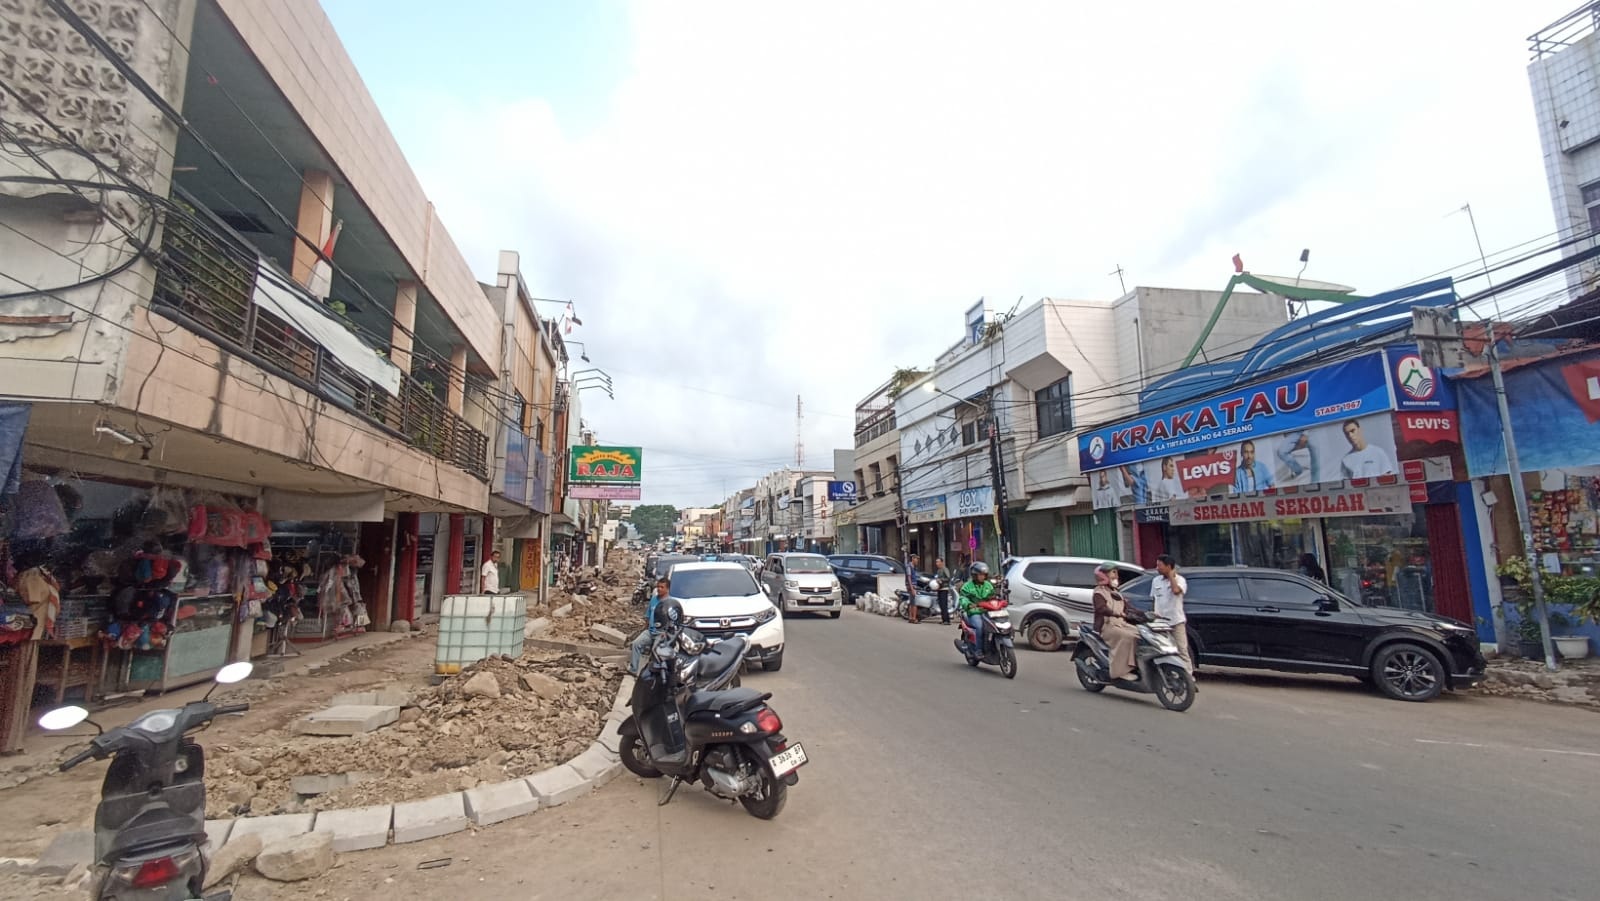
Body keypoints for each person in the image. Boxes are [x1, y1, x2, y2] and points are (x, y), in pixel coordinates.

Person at [1091, 562, 1140, 682]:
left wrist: (1147, 614)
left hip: (1121, 624)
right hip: (1107, 626)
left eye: (1116, 573)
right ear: (1103, 576)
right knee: (1127, 637)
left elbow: (1129, 608)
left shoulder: (1116, 592)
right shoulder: (1099, 592)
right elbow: (1101, 608)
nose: (1116, 576)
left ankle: (1135, 665)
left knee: (1141, 635)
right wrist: (1115, 613)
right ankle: (1120, 672)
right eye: (1113, 573)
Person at [1152, 554, 1191, 671]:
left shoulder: (1180, 580)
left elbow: (1176, 591)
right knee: (1163, 650)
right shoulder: (1156, 581)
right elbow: (1154, 598)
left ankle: (1188, 675)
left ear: (1169, 566)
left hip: (1176, 621)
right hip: (1160, 623)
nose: (1157, 568)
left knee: (1182, 650)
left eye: (1160, 565)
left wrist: (1171, 576)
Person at [629, 576, 672, 675]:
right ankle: (633, 670)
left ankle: (654, 674)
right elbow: (648, 615)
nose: (659, 589)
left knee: (655, 651)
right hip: (650, 631)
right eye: (658, 587)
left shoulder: (670, 603)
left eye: (662, 587)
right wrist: (645, 627)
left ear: (667, 589)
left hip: (661, 634)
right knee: (636, 644)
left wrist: (666, 633)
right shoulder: (653, 599)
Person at [957, 561, 997, 658]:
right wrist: (968, 604)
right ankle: (978, 650)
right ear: (974, 575)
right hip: (974, 612)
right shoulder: (967, 586)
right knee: (980, 627)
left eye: (984, 575)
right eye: (980, 575)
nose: (982, 577)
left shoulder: (988, 585)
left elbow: (994, 596)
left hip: (987, 611)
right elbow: (963, 598)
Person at [932, 557, 954, 624]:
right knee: (941, 604)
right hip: (939, 589)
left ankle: (947, 620)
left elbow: (948, 578)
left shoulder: (945, 569)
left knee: (944, 605)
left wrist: (941, 580)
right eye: (936, 562)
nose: (937, 563)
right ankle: (943, 619)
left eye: (938, 562)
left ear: (942, 562)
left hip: (944, 589)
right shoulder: (938, 570)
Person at [906, 553, 924, 623]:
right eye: (916, 559)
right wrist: (912, 589)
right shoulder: (909, 567)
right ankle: (914, 618)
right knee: (914, 603)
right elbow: (909, 578)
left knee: (912, 602)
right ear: (913, 559)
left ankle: (911, 618)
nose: (917, 561)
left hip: (913, 586)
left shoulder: (913, 567)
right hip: (912, 586)